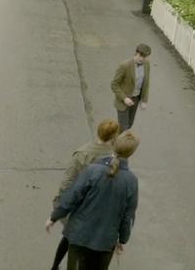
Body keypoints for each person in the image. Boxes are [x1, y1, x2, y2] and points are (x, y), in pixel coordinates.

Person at [46, 131, 140, 270]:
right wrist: (122, 240)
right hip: (105, 242)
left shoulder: (93, 170)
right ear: (131, 153)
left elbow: (72, 196)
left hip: (78, 236)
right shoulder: (131, 181)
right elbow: (128, 216)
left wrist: (54, 217)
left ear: (115, 146)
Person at [111, 43, 151, 131]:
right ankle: (116, 143)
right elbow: (114, 84)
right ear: (136, 53)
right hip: (123, 101)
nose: (142, 59)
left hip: (135, 99)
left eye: (145, 57)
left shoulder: (147, 64)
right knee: (123, 127)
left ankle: (117, 138)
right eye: (140, 55)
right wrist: (124, 98)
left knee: (129, 124)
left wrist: (144, 100)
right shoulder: (125, 66)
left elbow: (146, 83)